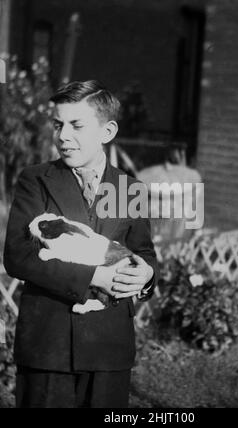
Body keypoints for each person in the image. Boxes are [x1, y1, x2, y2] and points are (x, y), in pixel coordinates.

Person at [4, 80, 159, 408]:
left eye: (76, 125)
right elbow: (18, 256)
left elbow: (144, 252)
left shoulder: (129, 189)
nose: (63, 136)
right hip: (48, 346)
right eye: (58, 125)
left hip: (108, 346)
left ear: (107, 131)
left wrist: (145, 276)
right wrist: (93, 277)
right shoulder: (36, 180)